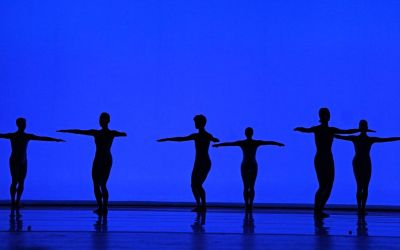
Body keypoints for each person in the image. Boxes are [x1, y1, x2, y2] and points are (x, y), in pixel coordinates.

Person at [294, 108, 372, 218]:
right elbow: (306, 130)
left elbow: (346, 131)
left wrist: (360, 130)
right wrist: (301, 129)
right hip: (322, 158)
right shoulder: (321, 129)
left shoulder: (329, 130)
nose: (327, 116)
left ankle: (319, 210)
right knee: (323, 186)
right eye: (326, 115)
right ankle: (317, 210)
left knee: (328, 186)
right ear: (323, 117)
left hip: (327, 159)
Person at [57, 112, 127, 215]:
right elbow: (80, 131)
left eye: (102, 119)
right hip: (98, 159)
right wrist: (67, 131)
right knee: (96, 184)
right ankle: (100, 207)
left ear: (107, 121)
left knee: (102, 184)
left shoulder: (110, 133)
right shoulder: (98, 133)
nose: (101, 121)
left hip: (105, 160)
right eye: (100, 119)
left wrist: (122, 133)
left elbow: (123, 134)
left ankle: (105, 208)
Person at [335, 120, 400, 215]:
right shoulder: (366, 139)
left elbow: (340, 136)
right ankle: (361, 208)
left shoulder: (357, 138)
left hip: (360, 162)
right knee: (363, 186)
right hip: (363, 162)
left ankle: (361, 208)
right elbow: (385, 139)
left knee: (361, 186)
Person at [157, 115, 219, 212]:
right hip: (198, 162)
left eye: (196, 122)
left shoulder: (204, 135)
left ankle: (203, 206)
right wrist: (168, 139)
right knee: (194, 185)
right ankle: (200, 206)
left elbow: (182, 139)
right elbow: (181, 139)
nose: (195, 124)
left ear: (201, 123)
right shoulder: (200, 135)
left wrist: (214, 139)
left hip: (204, 162)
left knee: (197, 184)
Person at [0, 118, 64, 210]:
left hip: (23, 161)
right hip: (14, 161)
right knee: (14, 181)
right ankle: (13, 201)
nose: (24, 125)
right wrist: (55, 140)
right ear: (19, 125)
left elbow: (41, 138)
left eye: (24, 124)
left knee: (21, 182)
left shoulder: (26, 136)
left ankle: (17, 201)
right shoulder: (13, 135)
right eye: (23, 124)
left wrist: (55, 139)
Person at [213, 127, 284, 210]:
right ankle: (248, 205)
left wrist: (219, 145)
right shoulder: (253, 142)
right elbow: (268, 142)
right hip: (250, 164)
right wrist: (278, 144)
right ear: (252, 133)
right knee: (250, 186)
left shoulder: (245, 143)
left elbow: (230, 144)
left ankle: (248, 205)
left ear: (245, 133)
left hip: (247, 164)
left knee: (247, 186)